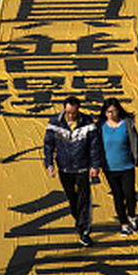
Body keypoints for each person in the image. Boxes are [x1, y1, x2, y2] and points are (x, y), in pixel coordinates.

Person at [43, 96, 102, 247]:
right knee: (72, 199)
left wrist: (95, 165)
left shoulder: (87, 122)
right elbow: (48, 145)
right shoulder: (55, 122)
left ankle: (84, 231)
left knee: (84, 200)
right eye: (68, 112)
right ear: (64, 109)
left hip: (82, 168)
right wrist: (49, 164)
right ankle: (79, 221)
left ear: (78, 110)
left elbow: (94, 146)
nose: (70, 115)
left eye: (73, 113)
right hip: (64, 168)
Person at [96, 97, 138, 237]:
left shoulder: (127, 124)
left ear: (118, 110)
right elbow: (95, 147)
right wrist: (95, 164)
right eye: (108, 112)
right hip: (109, 168)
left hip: (127, 166)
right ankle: (124, 224)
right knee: (118, 197)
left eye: (113, 111)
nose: (111, 115)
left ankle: (132, 216)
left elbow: (136, 143)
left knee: (130, 195)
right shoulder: (100, 126)